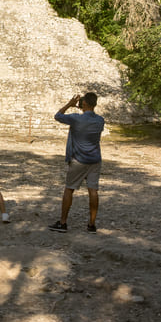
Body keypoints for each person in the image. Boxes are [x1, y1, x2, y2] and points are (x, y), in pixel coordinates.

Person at [48, 92, 105, 233]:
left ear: (84, 103)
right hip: (95, 160)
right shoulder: (100, 121)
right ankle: (91, 224)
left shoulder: (76, 119)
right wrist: (84, 109)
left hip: (79, 160)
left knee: (69, 189)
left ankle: (63, 223)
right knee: (93, 191)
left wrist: (70, 104)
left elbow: (58, 116)